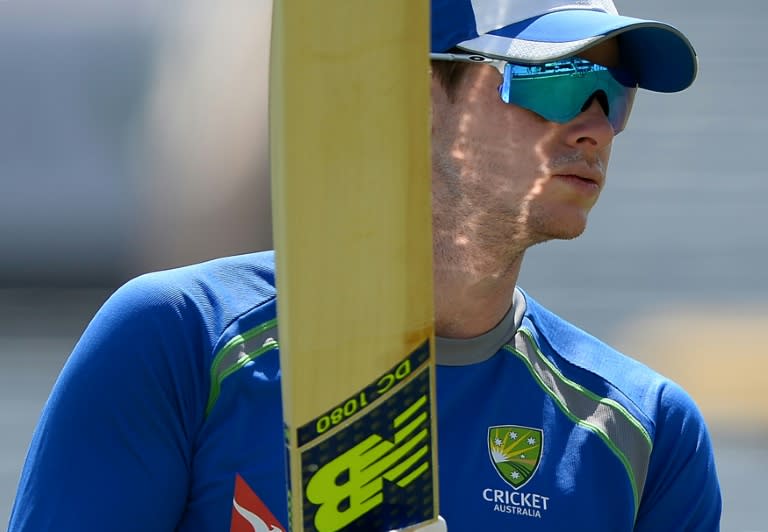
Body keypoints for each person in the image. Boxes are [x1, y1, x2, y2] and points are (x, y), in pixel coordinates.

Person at [9, 0, 722, 530]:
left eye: (615, 92)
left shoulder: (646, 433)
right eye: (557, 82)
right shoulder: (179, 339)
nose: (595, 124)